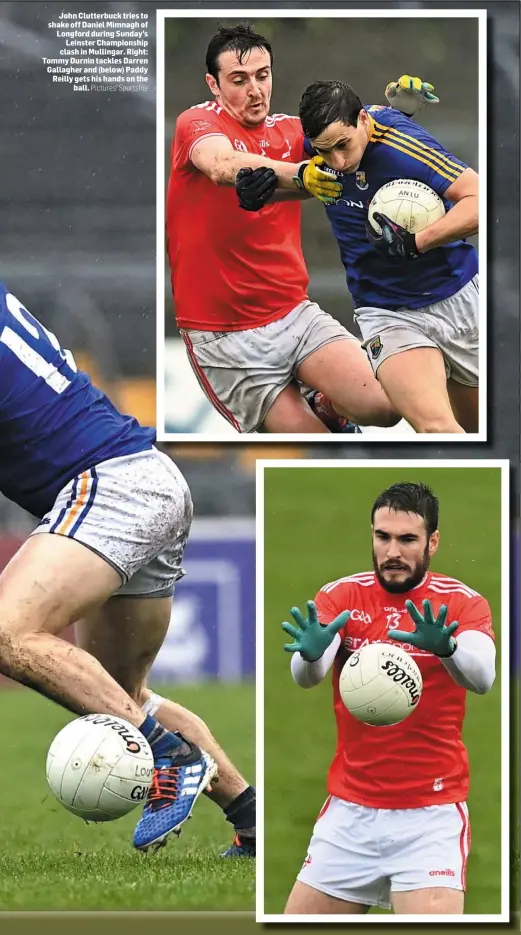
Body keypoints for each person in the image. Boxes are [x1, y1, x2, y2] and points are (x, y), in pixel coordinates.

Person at [0, 283, 255, 856]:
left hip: (110, 487)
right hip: (149, 480)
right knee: (120, 694)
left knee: (8, 631)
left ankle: (170, 754)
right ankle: (251, 816)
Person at [166, 23, 402, 434]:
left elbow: (352, 137)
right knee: (321, 453)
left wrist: (394, 113)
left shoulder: (291, 131)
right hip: (224, 338)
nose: (254, 89)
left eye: (262, 75)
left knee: (387, 405)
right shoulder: (197, 122)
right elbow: (222, 165)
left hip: (294, 314)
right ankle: (319, 417)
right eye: (238, 80)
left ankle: (325, 404)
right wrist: (299, 175)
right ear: (214, 84)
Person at [280, 482, 495, 915]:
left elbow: (484, 677)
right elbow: (308, 677)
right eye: (383, 537)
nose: (392, 551)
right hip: (348, 814)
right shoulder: (342, 595)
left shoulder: (461, 603)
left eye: (407, 539)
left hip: (430, 817)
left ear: (432, 542)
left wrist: (447, 649)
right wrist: (309, 653)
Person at [293, 80, 480, 434]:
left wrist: (417, 242)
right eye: (324, 151)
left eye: (342, 146)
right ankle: (332, 404)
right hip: (387, 312)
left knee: (475, 433)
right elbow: (273, 162)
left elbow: (479, 201)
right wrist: (299, 175)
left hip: (459, 299)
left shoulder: (403, 146)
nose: (337, 161)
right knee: (439, 429)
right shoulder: (317, 146)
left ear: (362, 120)